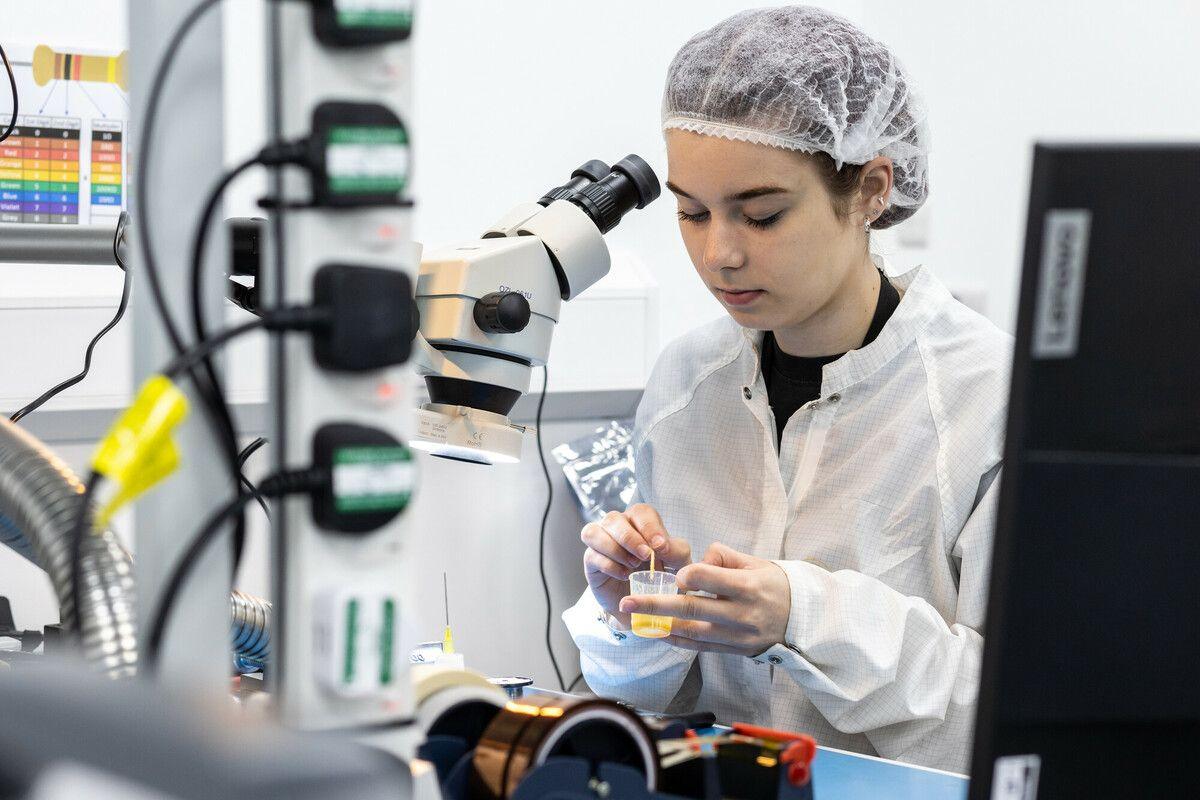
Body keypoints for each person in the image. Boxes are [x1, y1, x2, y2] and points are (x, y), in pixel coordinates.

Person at [562, 6, 1011, 773]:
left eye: (761, 215)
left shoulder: (989, 400)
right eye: (691, 212)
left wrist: (804, 616)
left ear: (871, 189)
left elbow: (1003, 717)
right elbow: (641, 706)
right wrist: (638, 611)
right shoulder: (684, 387)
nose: (720, 254)